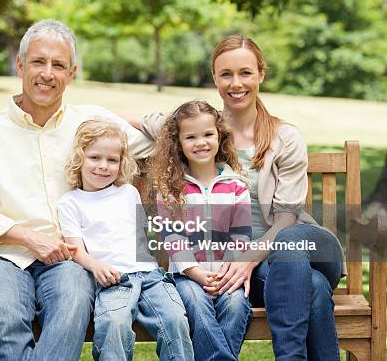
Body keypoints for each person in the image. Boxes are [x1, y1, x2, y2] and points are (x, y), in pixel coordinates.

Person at [0, 19, 154, 361]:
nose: (47, 73)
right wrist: (28, 237)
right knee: (4, 313)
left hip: (69, 259)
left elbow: (156, 139)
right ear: (20, 66)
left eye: (58, 65)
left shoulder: (89, 124)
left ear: (71, 74)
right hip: (3, 255)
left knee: (73, 300)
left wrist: (126, 117)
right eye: (38, 62)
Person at [138, 35, 344, 361]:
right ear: (215, 77)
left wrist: (247, 257)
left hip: (302, 245)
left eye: (245, 72)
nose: (236, 83)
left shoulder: (284, 137)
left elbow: (287, 216)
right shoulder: (206, 133)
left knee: (291, 244)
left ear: (261, 74)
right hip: (259, 271)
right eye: (226, 74)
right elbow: (154, 122)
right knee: (314, 288)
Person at [57, 119, 193, 361]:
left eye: (112, 160)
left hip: (151, 276)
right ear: (80, 158)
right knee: (114, 324)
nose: (103, 166)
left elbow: (146, 232)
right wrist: (95, 266)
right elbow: (75, 249)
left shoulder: (128, 192)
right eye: (95, 158)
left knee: (174, 319)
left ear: (121, 164)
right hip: (113, 280)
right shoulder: (71, 202)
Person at [148, 100, 253, 360]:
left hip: (227, 274)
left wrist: (225, 273)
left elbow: (240, 236)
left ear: (220, 136)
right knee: (195, 302)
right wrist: (197, 274)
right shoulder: (171, 189)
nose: (201, 142)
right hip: (186, 276)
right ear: (178, 143)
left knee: (236, 304)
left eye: (208, 134)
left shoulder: (236, 186)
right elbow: (172, 239)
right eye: (191, 137)